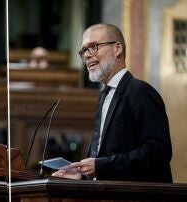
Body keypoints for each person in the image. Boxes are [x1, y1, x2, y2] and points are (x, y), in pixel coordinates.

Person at [52, 23, 173, 182]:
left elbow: (158, 152)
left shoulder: (140, 92)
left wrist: (100, 167)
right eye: (83, 51)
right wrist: (82, 175)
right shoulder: (104, 95)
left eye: (93, 47)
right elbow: (104, 157)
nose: (87, 55)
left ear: (117, 48)